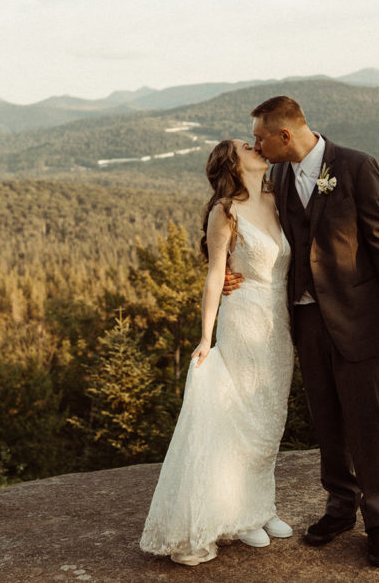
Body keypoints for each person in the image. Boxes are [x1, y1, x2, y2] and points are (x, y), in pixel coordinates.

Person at [227, 96, 379, 567]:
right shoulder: (273, 176)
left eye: (260, 137)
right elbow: (236, 218)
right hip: (304, 319)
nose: (256, 145)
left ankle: (378, 521)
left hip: (357, 317)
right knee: (327, 419)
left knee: (366, 419)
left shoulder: (356, 167)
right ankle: (339, 508)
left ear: (285, 136)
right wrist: (226, 267)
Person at [139, 139, 295, 566]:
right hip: (243, 318)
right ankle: (243, 516)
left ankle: (264, 507)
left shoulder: (278, 195)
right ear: (233, 162)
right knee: (245, 413)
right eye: (247, 146)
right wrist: (206, 338)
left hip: (280, 323)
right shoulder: (224, 211)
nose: (257, 147)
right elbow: (214, 276)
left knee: (271, 414)